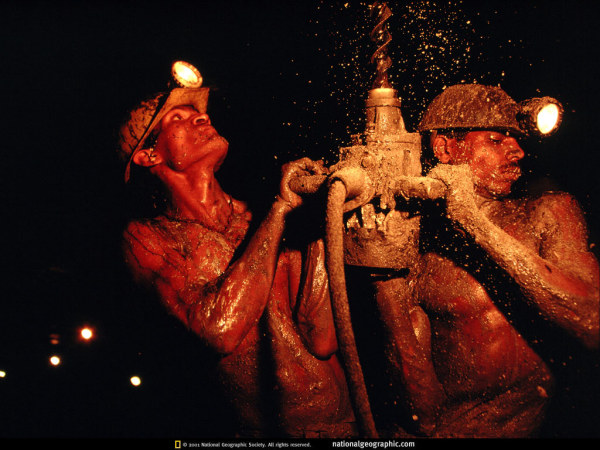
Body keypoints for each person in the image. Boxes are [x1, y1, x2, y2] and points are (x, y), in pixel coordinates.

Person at [117, 65, 356, 437]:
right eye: (178, 118)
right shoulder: (148, 239)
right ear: (149, 155)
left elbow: (323, 338)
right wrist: (280, 210)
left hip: (344, 425)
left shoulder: (259, 219)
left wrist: (318, 227)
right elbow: (220, 330)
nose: (202, 118)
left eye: (199, 113)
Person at [381, 84, 599, 437]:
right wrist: (384, 280)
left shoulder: (547, 213)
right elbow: (420, 411)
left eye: (516, 140)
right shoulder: (417, 245)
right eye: (496, 140)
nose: (517, 151)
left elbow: (591, 322)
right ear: (445, 149)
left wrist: (474, 222)